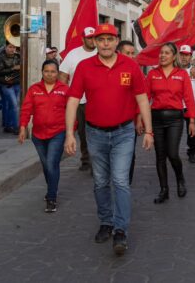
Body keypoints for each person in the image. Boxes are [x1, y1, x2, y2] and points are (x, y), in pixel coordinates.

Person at [64, 24, 153, 256]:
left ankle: (121, 230)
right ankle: (106, 222)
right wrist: (69, 134)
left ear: (116, 42)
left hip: (124, 132)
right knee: (100, 182)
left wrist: (149, 131)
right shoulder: (84, 67)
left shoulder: (130, 65)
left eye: (109, 39)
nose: (105, 43)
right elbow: (73, 101)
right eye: (100, 39)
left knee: (121, 180)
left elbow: (142, 99)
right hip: (94, 133)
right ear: (95, 42)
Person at [147, 42, 195, 203]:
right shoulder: (152, 74)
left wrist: (191, 121)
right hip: (156, 118)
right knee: (160, 155)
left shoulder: (182, 74)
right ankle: (164, 190)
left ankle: (180, 178)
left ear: (174, 56)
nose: (162, 55)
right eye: (161, 53)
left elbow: (189, 99)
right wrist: (140, 118)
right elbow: (145, 97)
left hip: (175, 119)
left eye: (167, 53)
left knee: (173, 153)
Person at [18, 60, 68, 213]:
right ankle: (52, 188)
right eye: (47, 71)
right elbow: (26, 109)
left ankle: (51, 197)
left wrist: (71, 131)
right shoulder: (34, 89)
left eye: (53, 72)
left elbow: (71, 111)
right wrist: (23, 128)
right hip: (38, 135)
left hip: (58, 132)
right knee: (46, 165)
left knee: (52, 164)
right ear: (42, 72)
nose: (50, 74)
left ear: (57, 73)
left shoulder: (65, 89)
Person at [59, 27, 97, 172]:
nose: (92, 40)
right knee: (82, 132)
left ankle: (96, 162)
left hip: (96, 100)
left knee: (95, 132)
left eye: (94, 37)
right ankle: (86, 159)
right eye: (89, 38)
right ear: (83, 39)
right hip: (79, 101)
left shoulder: (101, 52)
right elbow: (62, 75)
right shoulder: (73, 54)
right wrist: (65, 95)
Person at [117, 40, 140, 185]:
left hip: (129, 123)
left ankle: (126, 183)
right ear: (119, 53)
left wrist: (139, 119)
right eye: (128, 53)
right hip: (108, 124)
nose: (131, 56)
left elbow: (141, 98)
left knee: (129, 155)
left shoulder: (135, 70)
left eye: (133, 53)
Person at [180, 45, 195, 163]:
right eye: (182, 54)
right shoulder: (175, 68)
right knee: (174, 129)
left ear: (190, 56)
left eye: (186, 55)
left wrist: (194, 75)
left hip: (192, 104)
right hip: (177, 104)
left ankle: (192, 153)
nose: (184, 57)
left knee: (191, 129)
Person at [0, 42, 21, 134]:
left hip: (16, 83)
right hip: (6, 84)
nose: (12, 49)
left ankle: (8, 125)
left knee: (11, 105)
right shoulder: (0, 57)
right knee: (14, 105)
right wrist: (13, 68)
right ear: (5, 47)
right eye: (10, 47)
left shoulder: (18, 56)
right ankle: (16, 127)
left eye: (13, 47)